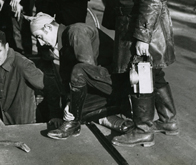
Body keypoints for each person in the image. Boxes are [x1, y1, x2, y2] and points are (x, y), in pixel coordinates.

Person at [98, 0, 178, 147]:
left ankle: (143, 128)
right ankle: (168, 120)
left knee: (141, 74)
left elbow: (151, 0)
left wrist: (142, 37)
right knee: (154, 72)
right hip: (139, 25)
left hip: (145, 28)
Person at [28, 12, 134, 140]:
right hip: (105, 83)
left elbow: (85, 71)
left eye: (39, 37)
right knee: (71, 111)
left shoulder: (75, 31)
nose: (41, 43)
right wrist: (69, 104)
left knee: (79, 72)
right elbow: (70, 82)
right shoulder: (64, 44)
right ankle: (121, 118)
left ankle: (74, 124)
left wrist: (73, 105)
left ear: (48, 28)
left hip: (120, 82)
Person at [0, 30, 44, 125]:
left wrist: (55, 116)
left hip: (24, 125)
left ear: (7, 47)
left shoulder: (22, 64)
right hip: (3, 122)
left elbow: (49, 86)